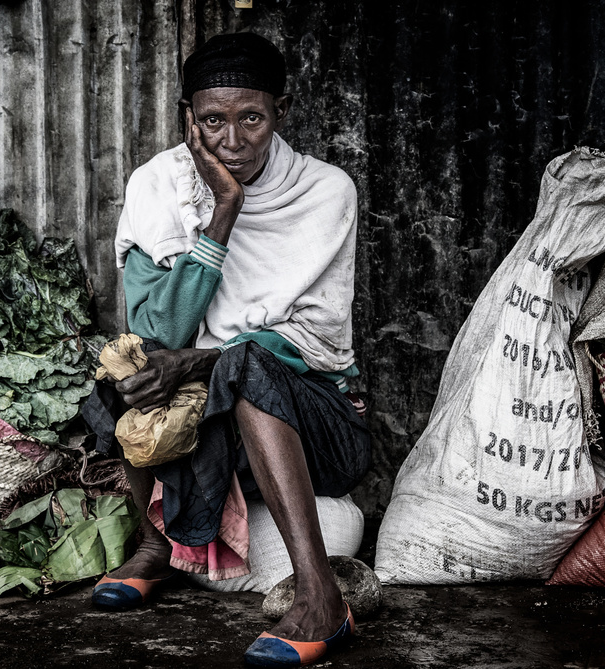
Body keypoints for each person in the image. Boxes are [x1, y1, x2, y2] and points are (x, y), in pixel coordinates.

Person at [82, 32, 370, 667]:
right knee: (123, 370)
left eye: (252, 119)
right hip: (207, 424)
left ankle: (321, 596)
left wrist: (207, 361)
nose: (233, 142)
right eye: (213, 120)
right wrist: (223, 211)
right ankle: (156, 545)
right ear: (189, 117)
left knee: (250, 365)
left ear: (281, 113)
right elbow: (162, 327)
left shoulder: (326, 193)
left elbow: (316, 339)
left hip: (313, 425)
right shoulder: (159, 185)